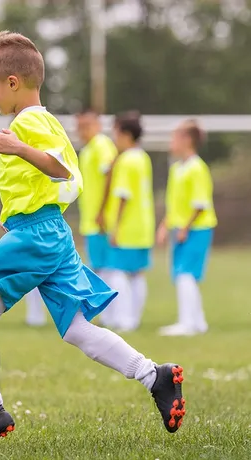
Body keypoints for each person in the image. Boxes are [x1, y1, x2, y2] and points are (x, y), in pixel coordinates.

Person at [0, 31, 185, 446]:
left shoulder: (29, 122)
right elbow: (55, 183)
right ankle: (155, 375)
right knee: (77, 328)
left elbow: (61, 169)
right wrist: (16, 215)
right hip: (49, 233)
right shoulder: (39, 122)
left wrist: (16, 147)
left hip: (38, 236)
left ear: (13, 82)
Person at [157, 119, 217, 336]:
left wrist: (185, 227)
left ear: (188, 140)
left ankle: (187, 323)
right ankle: (198, 321)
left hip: (196, 230)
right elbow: (174, 203)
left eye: (175, 137)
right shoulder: (177, 169)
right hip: (181, 229)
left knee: (185, 274)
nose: (171, 142)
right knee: (181, 274)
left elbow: (201, 203)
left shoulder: (197, 168)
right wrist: (165, 225)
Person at [105, 111, 155, 332]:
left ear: (125, 133)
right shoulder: (143, 157)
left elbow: (123, 196)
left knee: (117, 272)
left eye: (115, 132)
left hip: (128, 225)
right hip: (144, 225)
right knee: (136, 273)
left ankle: (124, 319)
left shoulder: (126, 160)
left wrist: (115, 227)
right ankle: (134, 318)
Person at [76, 109, 117, 328]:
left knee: (105, 267)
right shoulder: (88, 149)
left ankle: (113, 314)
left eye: (85, 125)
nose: (80, 130)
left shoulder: (101, 145)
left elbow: (110, 174)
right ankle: (107, 314)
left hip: (101, 220)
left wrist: (102, 211)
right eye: (78, 125)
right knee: (98, 265)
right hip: (91, 219)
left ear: (97, 125)